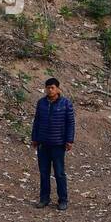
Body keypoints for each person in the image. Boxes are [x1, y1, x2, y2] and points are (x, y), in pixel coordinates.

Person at [30, 77, 75, 210]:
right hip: (43, 144)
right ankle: (44, 199)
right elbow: (36, 121)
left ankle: (63, 200)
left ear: (58, 89)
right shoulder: (41, 103)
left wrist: (69, 140)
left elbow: (70, 123)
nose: (50, 90)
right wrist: (34, 138)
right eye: (48, 88)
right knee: (44, 172)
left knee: (59, 173)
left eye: (52, 88)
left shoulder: (66, 104)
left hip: (58, 144)